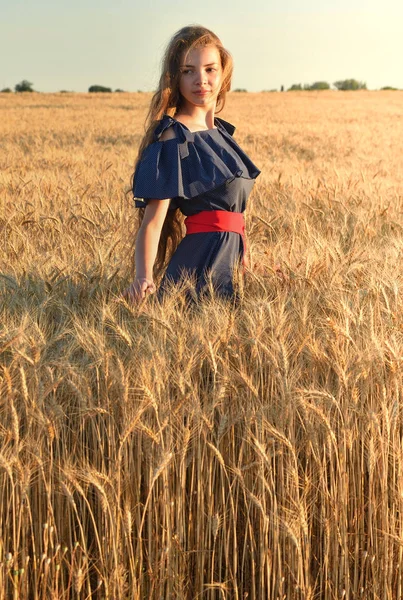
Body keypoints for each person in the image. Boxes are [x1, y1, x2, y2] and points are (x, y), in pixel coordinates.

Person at [124, 24, 261, 306]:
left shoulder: (221, 133)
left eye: (210, 69)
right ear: (176, 78)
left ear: (224, 73)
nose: (201, 79)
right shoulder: (174, 137)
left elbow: (233, 218)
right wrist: (143, 277)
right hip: (200, 267)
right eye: (189, 71)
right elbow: (153, 222)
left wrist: (249, 262)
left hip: (230, 264)